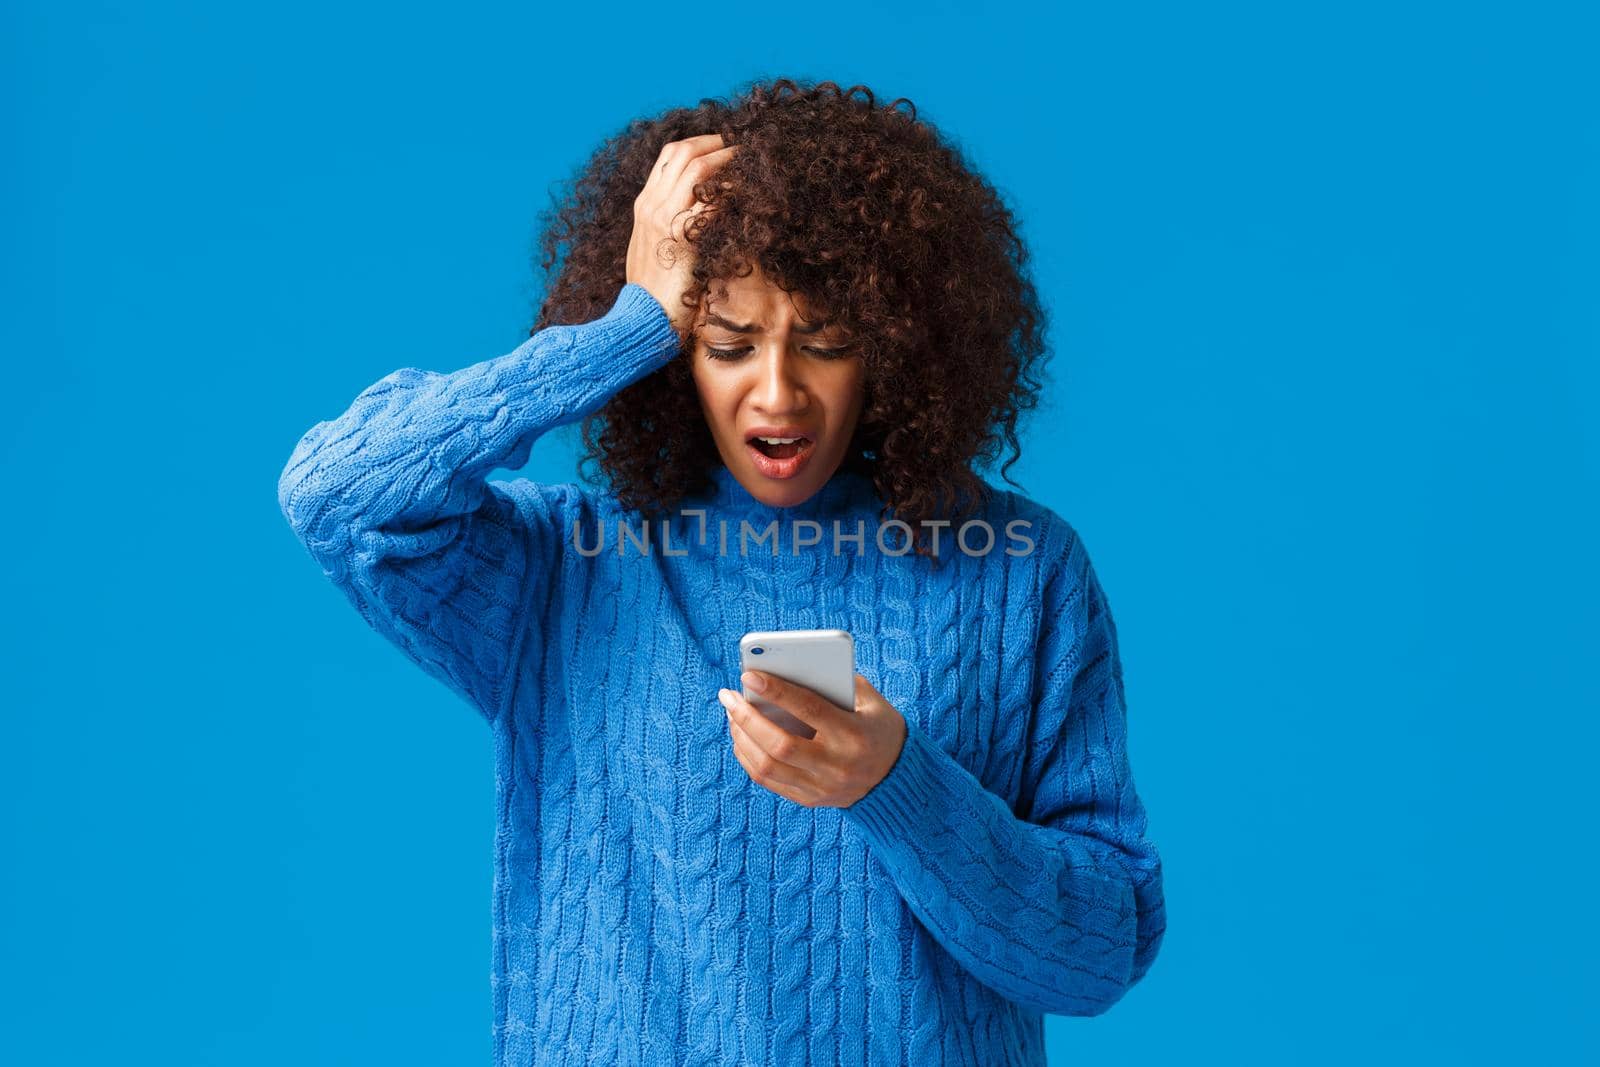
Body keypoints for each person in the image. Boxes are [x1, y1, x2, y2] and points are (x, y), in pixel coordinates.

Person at [277, 77, 1165, 1067]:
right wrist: (629, 325)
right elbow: (337, 491)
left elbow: (1100, 949)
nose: (776, 392)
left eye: (825, 343)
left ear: (897, 348)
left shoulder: (1017, 572)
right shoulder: (566, 570)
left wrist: (894, 784)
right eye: (727, 342)